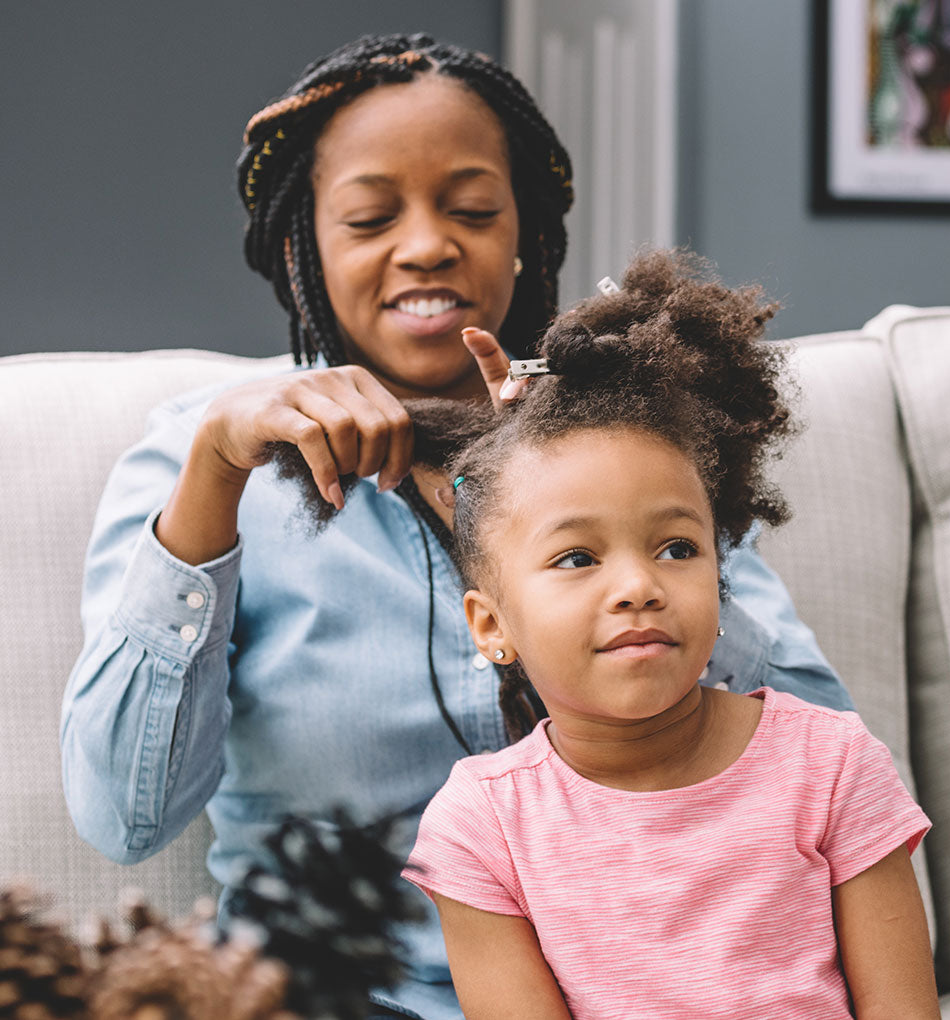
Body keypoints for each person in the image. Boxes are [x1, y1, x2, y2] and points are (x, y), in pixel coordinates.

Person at [60, 33, 852, 1019]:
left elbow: (826, 756)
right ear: (307, 241)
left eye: (472, 209)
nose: (429, 243)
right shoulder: (205, 460)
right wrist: (213, 484)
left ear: (525, 232)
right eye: (370, 216)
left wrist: (589, 512)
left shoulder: (620, 441)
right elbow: (120, 819)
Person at [403, 249, 940, 1019]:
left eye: (677, 548)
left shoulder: (833, 765)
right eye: (578, 557)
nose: (638, 587)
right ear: (492, 627)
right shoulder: (481, 825)